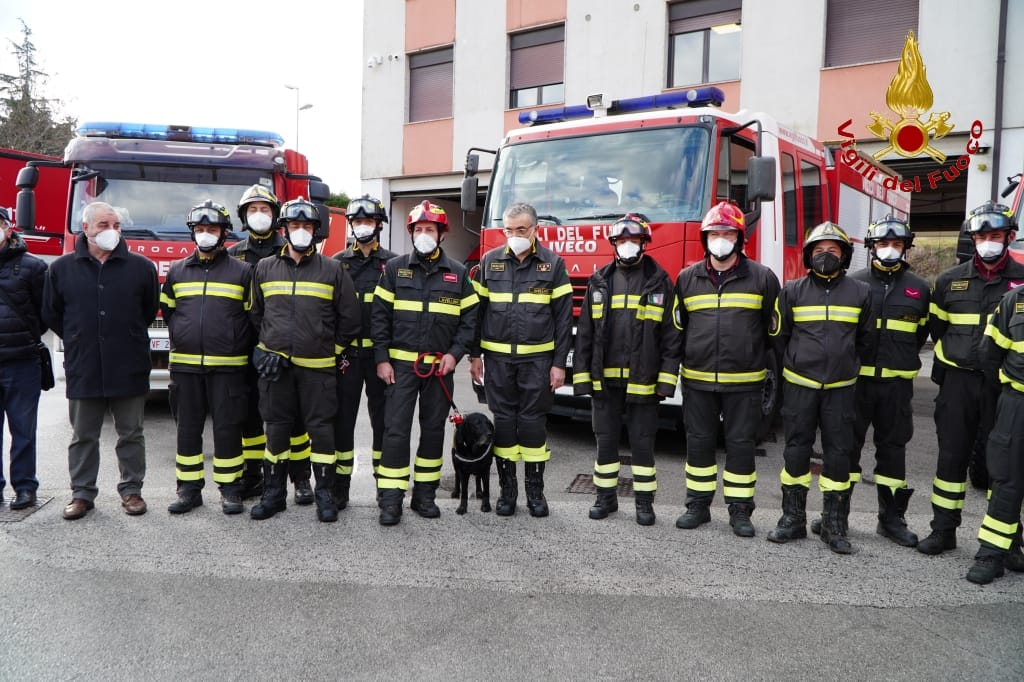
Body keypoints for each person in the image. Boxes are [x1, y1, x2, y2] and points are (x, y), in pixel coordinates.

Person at [919, 201, 1024, 555]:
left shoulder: (1022, 282)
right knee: (951, 458)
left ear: (1009, 237)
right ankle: (943, 530)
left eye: (996, 235)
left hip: (1004, 387)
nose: (988, 242)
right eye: (982, 235)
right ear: (973, 238)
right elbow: (937, 328)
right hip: (959, 384)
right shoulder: (949, 280)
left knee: (1003, 465)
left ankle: (1007, 541)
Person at [42, 201, 159, 520]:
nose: (112, 232)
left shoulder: (142, 267)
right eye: (104, 225)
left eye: (116, 226)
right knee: (83, 435)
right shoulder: (61, 269)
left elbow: (148, 311)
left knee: (131, 432)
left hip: (129, 362)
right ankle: (81, 494)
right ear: (86, 228)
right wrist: (80, 336)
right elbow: (52, 313)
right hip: (85, 364)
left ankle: (132, 490)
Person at [248, 198, 360, 522]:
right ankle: (273, 495)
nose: (300, 232)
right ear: (283, 230)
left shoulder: (333, 269)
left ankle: (324, 494)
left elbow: (350, 321)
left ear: (316, 232)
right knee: (277, 432)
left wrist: (329, 350)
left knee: (322, 433)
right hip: (276, 370)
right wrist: (270, 345)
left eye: (307, 226)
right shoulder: (265, 268)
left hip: (318, 371)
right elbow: (257, 315)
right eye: (294, 226)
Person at [673, 201, 780, 537]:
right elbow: (677, 330)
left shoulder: (762, 278)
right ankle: (698, 505)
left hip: (745, 384)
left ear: (740, 237)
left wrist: (773, 383)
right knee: (699, 445)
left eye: (727, 233)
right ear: (705, 239)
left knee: (741, 446)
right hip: (698, 382)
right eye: (715, 233)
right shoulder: (687, 278)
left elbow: (774, 333)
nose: (721, 239)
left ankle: (739, 511)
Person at [766, 222, 873, 554]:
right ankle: (792, 520)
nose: (825, 256)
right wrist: (799, 363)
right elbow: (778, 339)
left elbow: (866, 341)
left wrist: (844, 365)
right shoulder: (792, 291)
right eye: (818, 250)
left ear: (844, 256)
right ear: (808, 256)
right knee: (796, 451)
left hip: (841, 389)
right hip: (800, 387)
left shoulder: (861, 293)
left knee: (839, 455)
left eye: (833, 251)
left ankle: (833, 525)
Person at [372, 200, 478, 525]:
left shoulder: (458, 274)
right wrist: (381, 359)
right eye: (418, 229)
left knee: (433, 432)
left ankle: (425, 496)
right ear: (412, 233)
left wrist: (454, 354)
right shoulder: (394, 270)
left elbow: (470, 321)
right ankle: (391, 499)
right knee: (395, 432)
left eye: (429, 229)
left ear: (442, 234)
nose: (423, 234)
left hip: (439, 369)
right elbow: (379, 318)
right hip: (400, 368)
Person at [573, 213, 680, 525]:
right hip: (605, 382)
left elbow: (672, 338)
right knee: (605, 442)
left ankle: (644, 504)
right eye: (622, 240)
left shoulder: (660, 283)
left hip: (643, 382)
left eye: (634, 240)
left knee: (643, 445)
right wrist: (582, 381)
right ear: (614, 244)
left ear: (644, 244)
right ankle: (605, 499)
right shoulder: (599, 282)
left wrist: (666, 382)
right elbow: (586, 336)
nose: (628, 245)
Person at [831, 216, 929, 547]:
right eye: (883, 244)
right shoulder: (854, 284)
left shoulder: (920, 288)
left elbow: (920, 335)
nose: (890, 250)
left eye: (897, 245)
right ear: (871, 247)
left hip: (896, 388)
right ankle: (837, 517)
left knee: (893, 451)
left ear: (906, 248)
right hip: (856, 384)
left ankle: (890, 519)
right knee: (846, 449)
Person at [470, 202, 573, 518]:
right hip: (498, 362)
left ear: (535, 230)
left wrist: (559, 364)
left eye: (521, 230)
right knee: (504, 424)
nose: (514, 236)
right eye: (509, 230)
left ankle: (535, 493)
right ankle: (507, 493)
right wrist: (475, 356)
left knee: (532, 426)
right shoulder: (489, 263)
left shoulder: (553, 265)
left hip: (537, 364)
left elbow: (563, 318)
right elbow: (476, 314)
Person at [160, 200, 253, 515]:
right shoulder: (177, 271)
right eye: (199, 229)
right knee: (187, 429)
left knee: (227, 429)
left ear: (224, 232)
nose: (205, 234)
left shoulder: (242, 272)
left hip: (229, 368)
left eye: (211, 229)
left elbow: (253, 317)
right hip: (185, 368)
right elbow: (168, 311)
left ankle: (230, 490)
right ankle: (188, 491)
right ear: (192, 233)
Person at [227, 185, 315, 505]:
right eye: (253, 210)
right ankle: (254, 476)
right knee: (250, 416)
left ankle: (301, 477)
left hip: (285, 346)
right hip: (247, 348)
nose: (259, 215)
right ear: (243, 216)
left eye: (265, 209)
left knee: (294, 417)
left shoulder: (290, 246)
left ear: (277, 216)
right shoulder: (233, 253)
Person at [331, 195, 395, 507]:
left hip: (381, 359)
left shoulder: (394, 264)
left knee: (383, 422)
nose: (362, 226)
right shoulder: (337, 264)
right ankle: (339, 487)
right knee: (341, 421)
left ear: (379, 224)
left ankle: (384, 488)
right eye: (357, 221)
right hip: (346, 357)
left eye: (368, 221)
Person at [966, 269, 1024, 583]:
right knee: (1006, 481)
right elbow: (989, 356)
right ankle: (993, 554)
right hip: (1018, 403)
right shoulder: (1014, 301)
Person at [0, 207, 48, 510]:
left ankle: (25, 487)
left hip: (22, 361)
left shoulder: (33, 267)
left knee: (23, 429)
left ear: (8, 228)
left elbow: (45, 314)